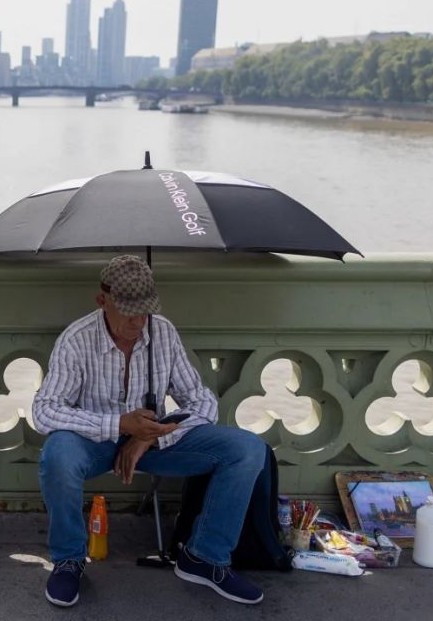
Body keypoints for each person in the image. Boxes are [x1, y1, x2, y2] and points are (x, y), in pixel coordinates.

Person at [32, 254, 267, 607]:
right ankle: (69, 559)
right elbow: (44, 410)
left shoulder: (162, 331)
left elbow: (202, 400)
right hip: (94, 441)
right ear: (102, 301)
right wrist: (118, 425)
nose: (138, 321)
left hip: (155, 442)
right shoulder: (76, 339)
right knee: (58, 454)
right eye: (128, 310)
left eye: (145, 310)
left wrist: (149, 436)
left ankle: (205, 558)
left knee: (248, 449)